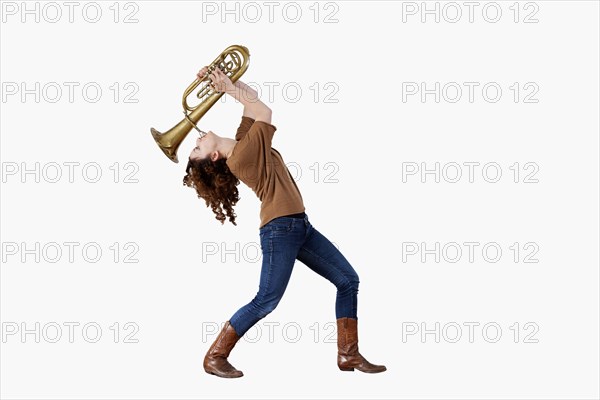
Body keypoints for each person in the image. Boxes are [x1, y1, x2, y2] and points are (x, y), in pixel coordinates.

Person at [183, 66, 387, 378]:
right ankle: (215, 356)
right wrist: (226, 88)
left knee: (348, 280)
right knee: (266, 301)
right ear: (213, 158)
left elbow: (251, 103)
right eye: (197, 148)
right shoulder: (241, 156)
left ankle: (348, 355)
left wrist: (226, 79)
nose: (197, 140)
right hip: (281, 230)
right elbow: (264, 110)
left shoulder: (242, 142)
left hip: (299, 226)